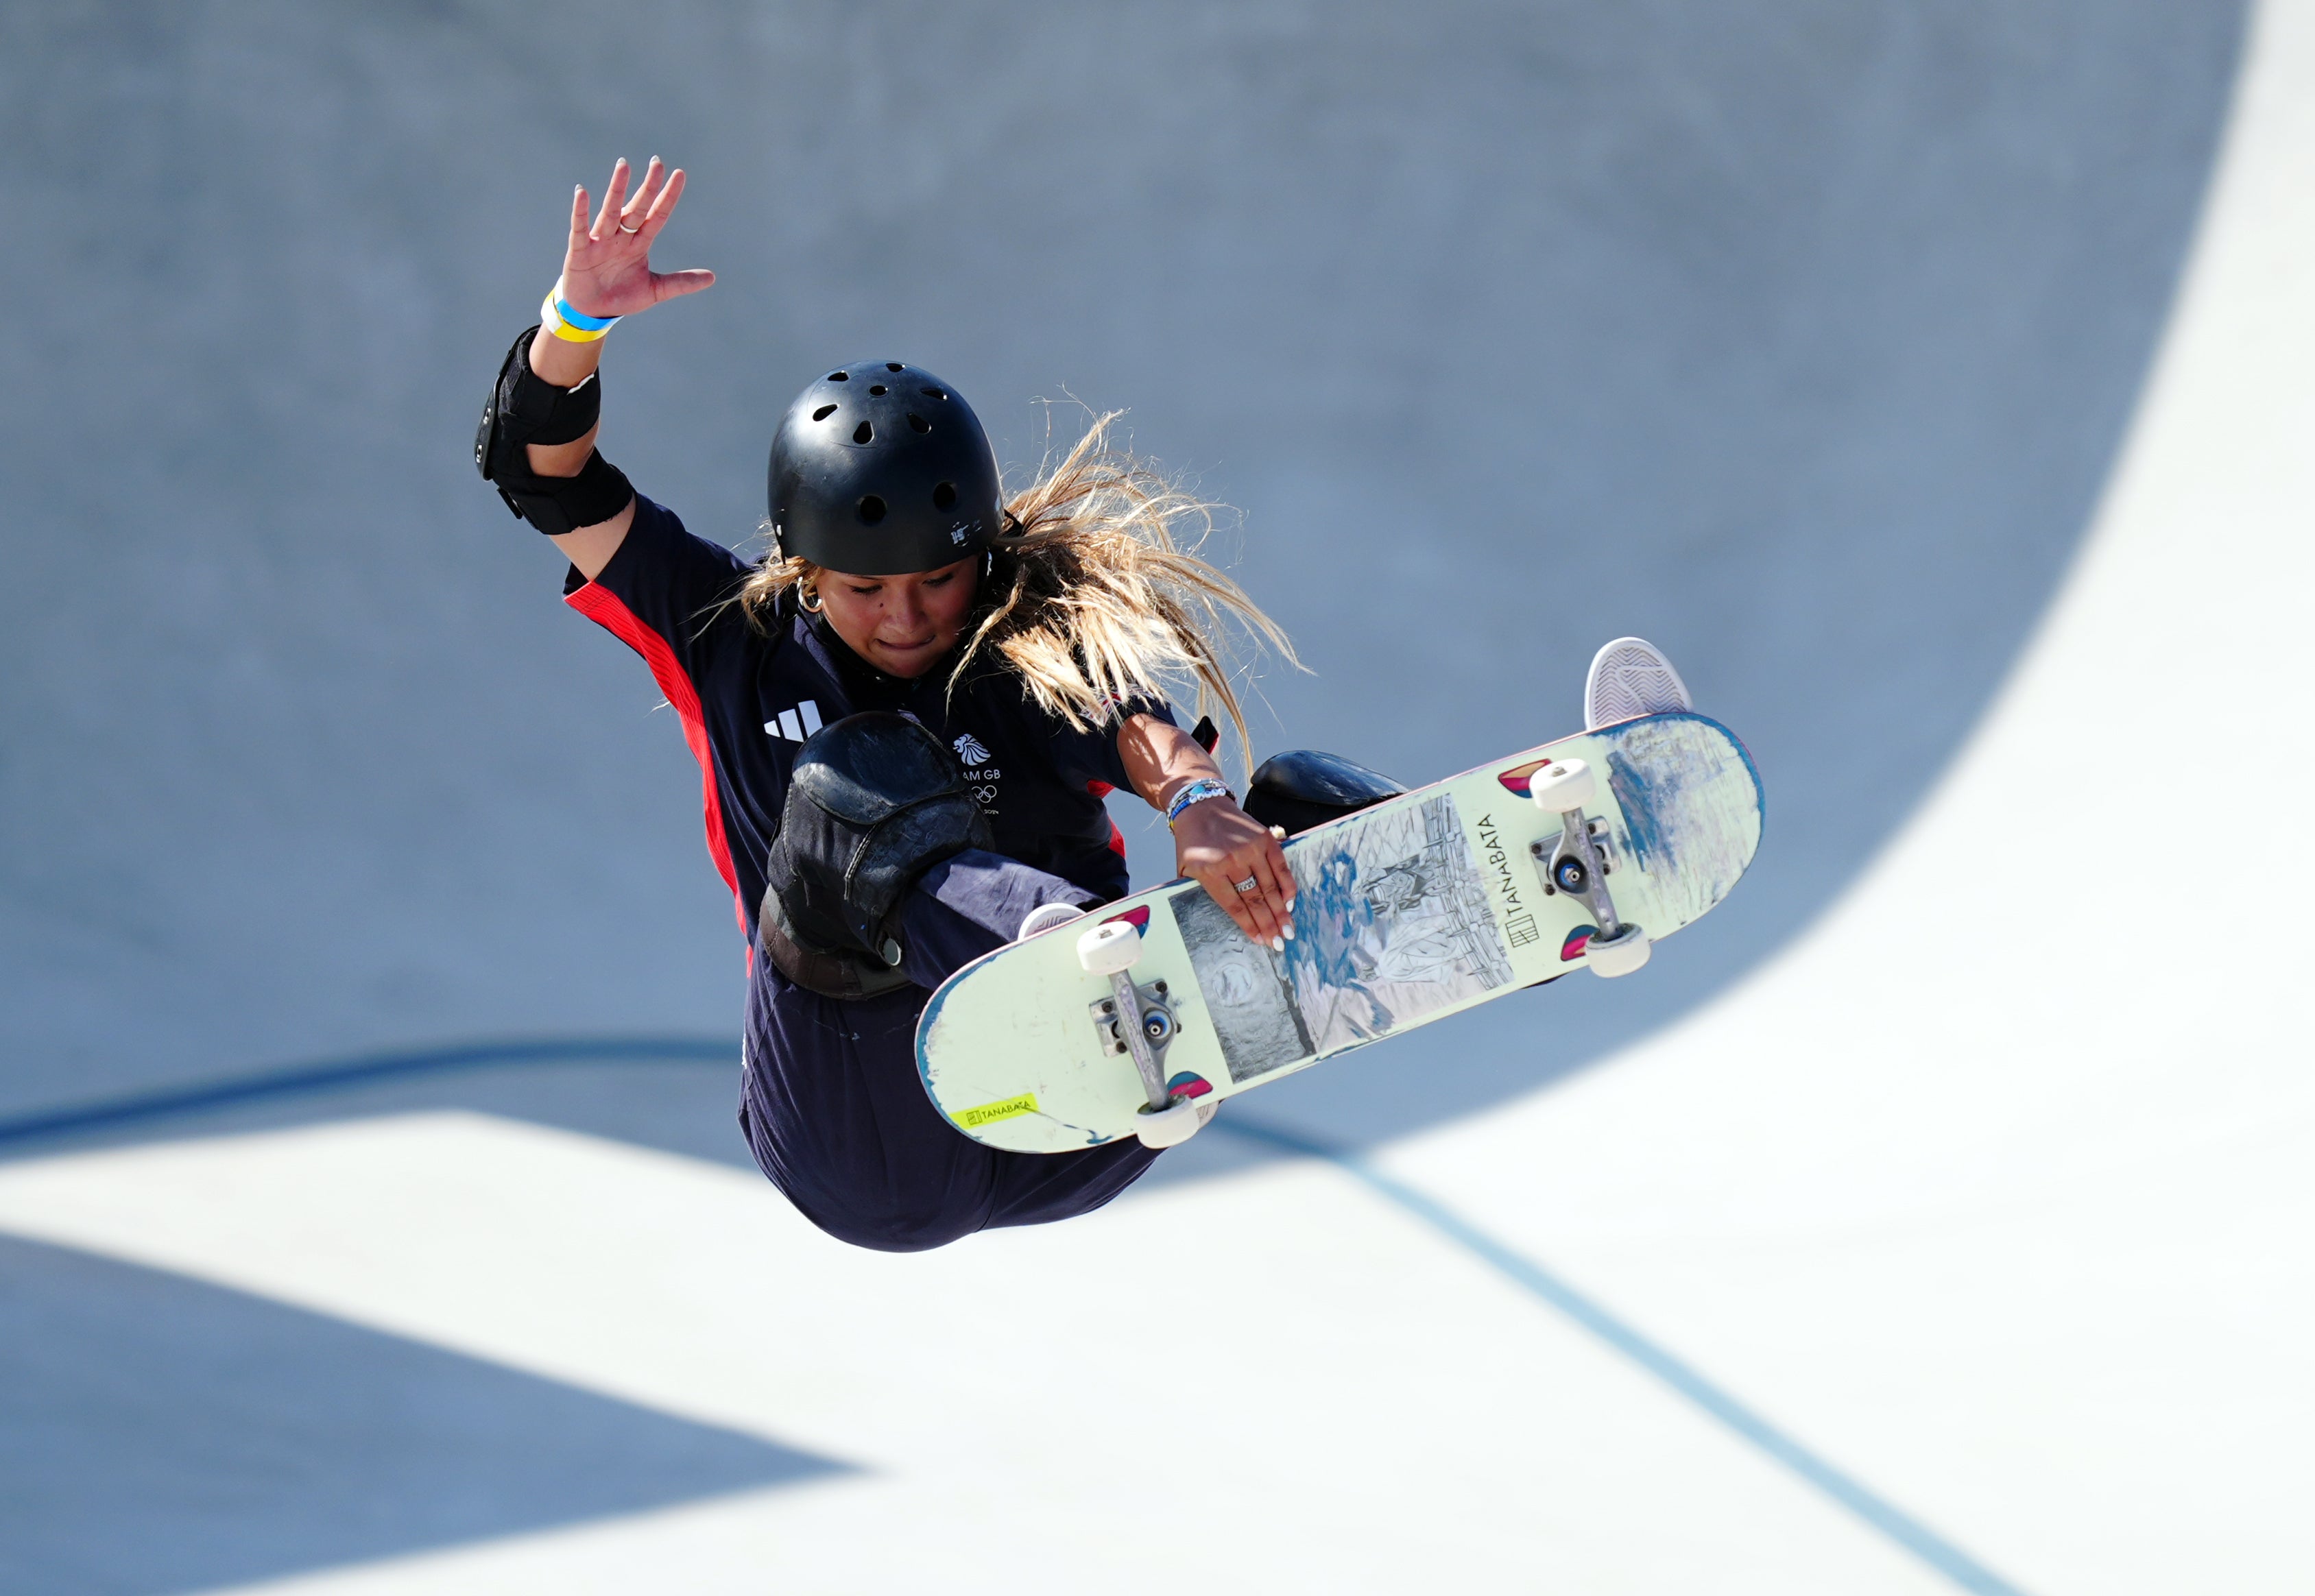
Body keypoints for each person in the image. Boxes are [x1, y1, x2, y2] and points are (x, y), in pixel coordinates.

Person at [474, 158, 1309, 1252]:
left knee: (1287, 799)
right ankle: (1053, 952)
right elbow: (542, 477)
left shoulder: (1023, 640)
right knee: (848, 792)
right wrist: (574, 320)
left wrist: (1202, 802)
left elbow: (1127, 716)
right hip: (865, 1137)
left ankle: (1344, 887)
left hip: (1073, 1125)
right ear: (806, 567)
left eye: (937, 582)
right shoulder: (730, 638)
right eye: (866, 589)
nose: (908, 618)